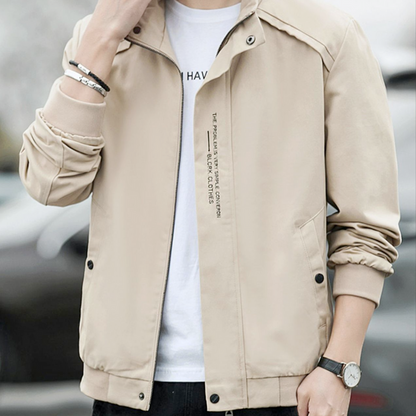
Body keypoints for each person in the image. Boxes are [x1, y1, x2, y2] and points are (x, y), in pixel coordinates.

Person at [19, 0, 402, 414]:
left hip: (275, 391)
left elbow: (366, 225)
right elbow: (51, 182)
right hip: (128, 391)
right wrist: (102, 36)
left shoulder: (324, 38)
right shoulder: (104, 36)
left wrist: (338, 367)